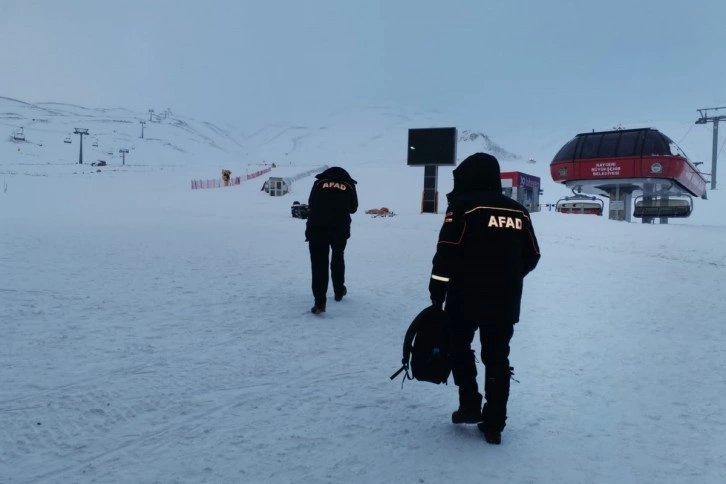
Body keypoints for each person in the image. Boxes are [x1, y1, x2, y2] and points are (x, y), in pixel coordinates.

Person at [428, 152, 540, 444]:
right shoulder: (519, 211)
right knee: (497, 356)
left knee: (459, 348)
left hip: (465, 296)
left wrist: (437, 290)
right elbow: (533, 254)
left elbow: (447, 252)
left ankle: (469, 405)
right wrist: (510, 277)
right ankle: (494, 424)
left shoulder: (463, 207)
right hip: (505, 299)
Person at [305, 166, 358, 314]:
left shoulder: (319, 183)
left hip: (317, 228)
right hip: (339, 230)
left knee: (318, 264)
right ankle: (339, 290)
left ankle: (320, 302)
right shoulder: (348, 185)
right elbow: (354, 208)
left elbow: (311, 202)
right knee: (337, 258)